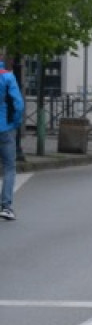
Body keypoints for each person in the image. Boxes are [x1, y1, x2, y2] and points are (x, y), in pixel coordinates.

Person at [1, 59, 25, 221]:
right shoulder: (7, 77)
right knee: (9, 167)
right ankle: (6, 206)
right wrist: (15, 123)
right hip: (5, 128)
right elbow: (18, 104)